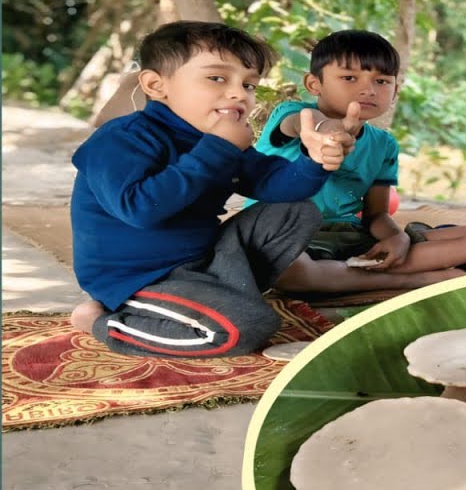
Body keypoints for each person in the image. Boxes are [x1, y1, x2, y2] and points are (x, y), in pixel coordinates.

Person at [69, 21, 348, 357]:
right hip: (138, 277)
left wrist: (315, 160)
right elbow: (141, 209)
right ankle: (99, 321)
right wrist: (218, 148)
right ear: (156, 85)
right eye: (217, 78)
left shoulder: (221, 139)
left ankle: (219, 292)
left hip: (203, 259)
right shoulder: (121, 139)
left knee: (298, 211)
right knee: (244, 328)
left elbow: (277, 185)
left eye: (249, 84)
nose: (238, 93)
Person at [249, 30, 466, 294]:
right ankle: (417, 279)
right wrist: (331, 132)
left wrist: (395, 237)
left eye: (381, 81)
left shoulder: (384, 144)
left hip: (349, 237)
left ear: (395, 91)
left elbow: (376, 214)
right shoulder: (293, 115)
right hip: (284, 236)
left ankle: (347, 272)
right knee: (290, 272)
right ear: (314, 84)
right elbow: (310, 124)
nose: (368, 90)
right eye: (349, 78)